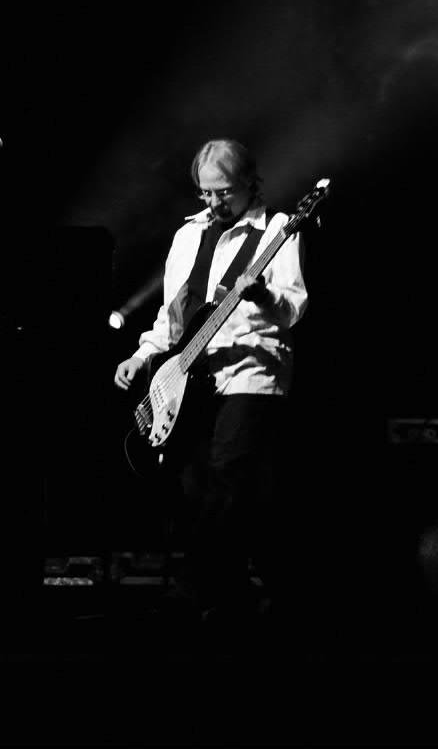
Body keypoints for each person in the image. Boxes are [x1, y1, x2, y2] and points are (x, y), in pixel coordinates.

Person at [113, 138, 309, 632]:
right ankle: (240, 597)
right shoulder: (188, 236)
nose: (214, 202)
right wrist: (142, 355)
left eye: (223, 192)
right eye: (205, 192)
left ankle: (194, 588)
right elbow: (174, 314)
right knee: (196, 487)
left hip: (252, 372)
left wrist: (260, 296)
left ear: (249, 183)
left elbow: (292, 309)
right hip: (191, 376)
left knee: (229, 477)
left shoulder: (278, 230)